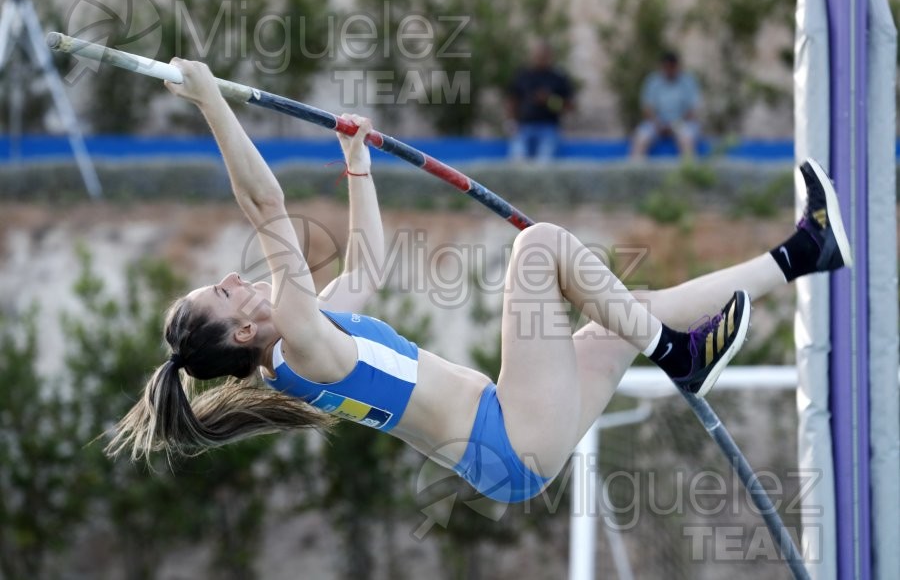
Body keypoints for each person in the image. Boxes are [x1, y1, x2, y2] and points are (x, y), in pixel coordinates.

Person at [106, 59, 852, 505]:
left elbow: (366, 263)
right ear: (243, 332)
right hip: (509, 435)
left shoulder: (307, 342)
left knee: (623, 316)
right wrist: (211, 101)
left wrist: (356, 161)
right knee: (542, 250)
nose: (237, 278)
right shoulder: (298, 342)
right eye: (225, 291)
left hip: (507, 445)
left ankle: (803, 252)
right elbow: (264, 206)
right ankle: (679, 351)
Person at [507, 42, 574, 162]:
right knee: (518, 159)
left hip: (548, 127)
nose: (540, 58)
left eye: (543, 55)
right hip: (524, 126)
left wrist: (549, 100)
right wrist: (511, 121)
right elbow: (513, 99)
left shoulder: (557, 78)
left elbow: (568, 106)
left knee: (544, 162)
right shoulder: (523, 76)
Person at [631, 50, 701, 159]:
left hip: (681, 123)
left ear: (677, 67)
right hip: (656, 124)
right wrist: (658, 125)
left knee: (686, 139)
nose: (669, 71)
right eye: (666, 68)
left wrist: (675, 125)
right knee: (640, 137)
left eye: (672, 68)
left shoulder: (688, 81)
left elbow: (692, 111)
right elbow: (647, 109)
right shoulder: (652, 81)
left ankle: (688, 172)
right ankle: (635, 171)